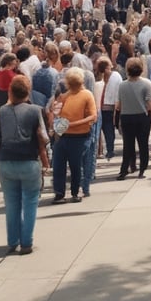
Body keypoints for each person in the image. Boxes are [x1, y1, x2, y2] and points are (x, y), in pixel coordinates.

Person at [0, 75, 49, 255]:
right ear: (28, 92)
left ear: (10, 92)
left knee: (11, 202)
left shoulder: (2, 111)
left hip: (6, 160)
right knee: (30, 202)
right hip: (28, 160)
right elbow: (44, 137)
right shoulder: (35, 110)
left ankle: (12, 241)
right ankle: (26, 242)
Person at [51, 66, 97, 201]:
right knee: (59, 165)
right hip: (63, 136)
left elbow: (93, 116)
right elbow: (57, 114)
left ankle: (74, 192)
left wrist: (73, 124)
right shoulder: (65, 96)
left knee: (75, 165)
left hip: (80, 136)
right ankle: (60, 193)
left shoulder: (87, 95)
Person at [114, 57, 151, 179]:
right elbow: (150, 104)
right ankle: (142, 168)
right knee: (143, 144)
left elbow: (118, 105)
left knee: (128, 144)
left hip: (126, 116)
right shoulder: (147, 84)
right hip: (141, 116)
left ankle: (125, 168)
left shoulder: (122, 85)